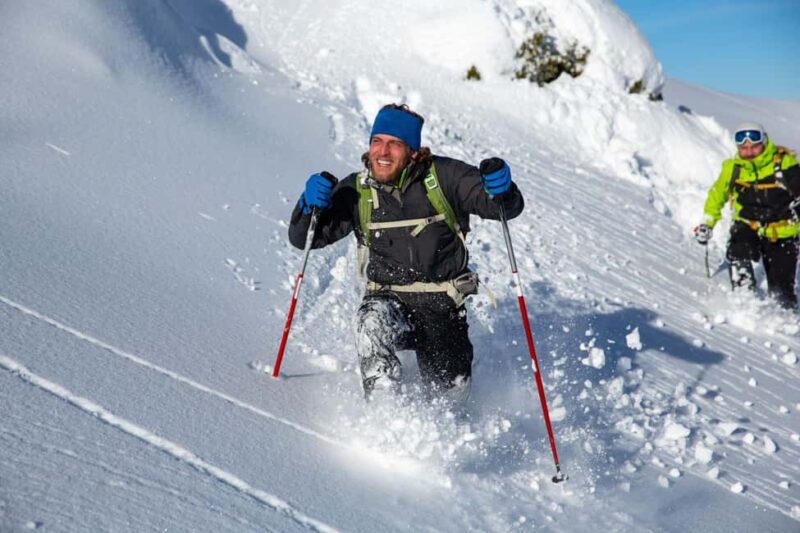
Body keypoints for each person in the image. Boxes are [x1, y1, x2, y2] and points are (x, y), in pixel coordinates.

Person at [288, 103, 524, 402]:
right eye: (377, 141)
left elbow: (500, 207)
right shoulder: (357, 190)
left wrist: (502, 190)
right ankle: (386, 412)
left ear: (413, 151)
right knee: (370, 321)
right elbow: (306, 239)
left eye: (394, 144)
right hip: (388, 301)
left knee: (449, 402)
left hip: (442, 306)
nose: (382, 152)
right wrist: (308, 206)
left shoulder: (444, 177)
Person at [695, 122, 800, 309]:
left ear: (764, 142)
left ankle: (783, 320)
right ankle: (744, 300)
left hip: (782, 231)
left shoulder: (783, 163)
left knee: (782, 286)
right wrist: (707, 223)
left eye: (754, 146)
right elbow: (717, 195)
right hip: (747, 225)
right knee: (738, 249)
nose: (749, 151)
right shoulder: (733, 168)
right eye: (744, 148)